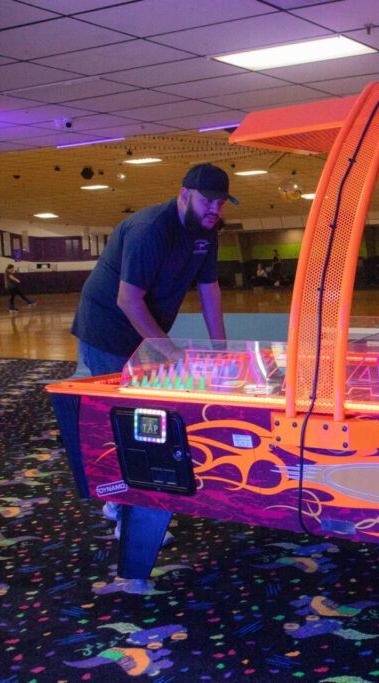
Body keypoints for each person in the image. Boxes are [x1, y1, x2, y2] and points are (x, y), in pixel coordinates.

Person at [71, 163, 237, 571]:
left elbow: (210, 288)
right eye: (207, 201)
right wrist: (167, 350)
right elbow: (128, 300)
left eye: (221, 203)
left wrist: (221, 349)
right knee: (125, 424)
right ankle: (126, 515)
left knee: (149, 422)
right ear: (184, 195)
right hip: (107, 329)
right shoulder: (150, 230)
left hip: (146, 333)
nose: (214, 209)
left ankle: (124, 502)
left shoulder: (207, 230)